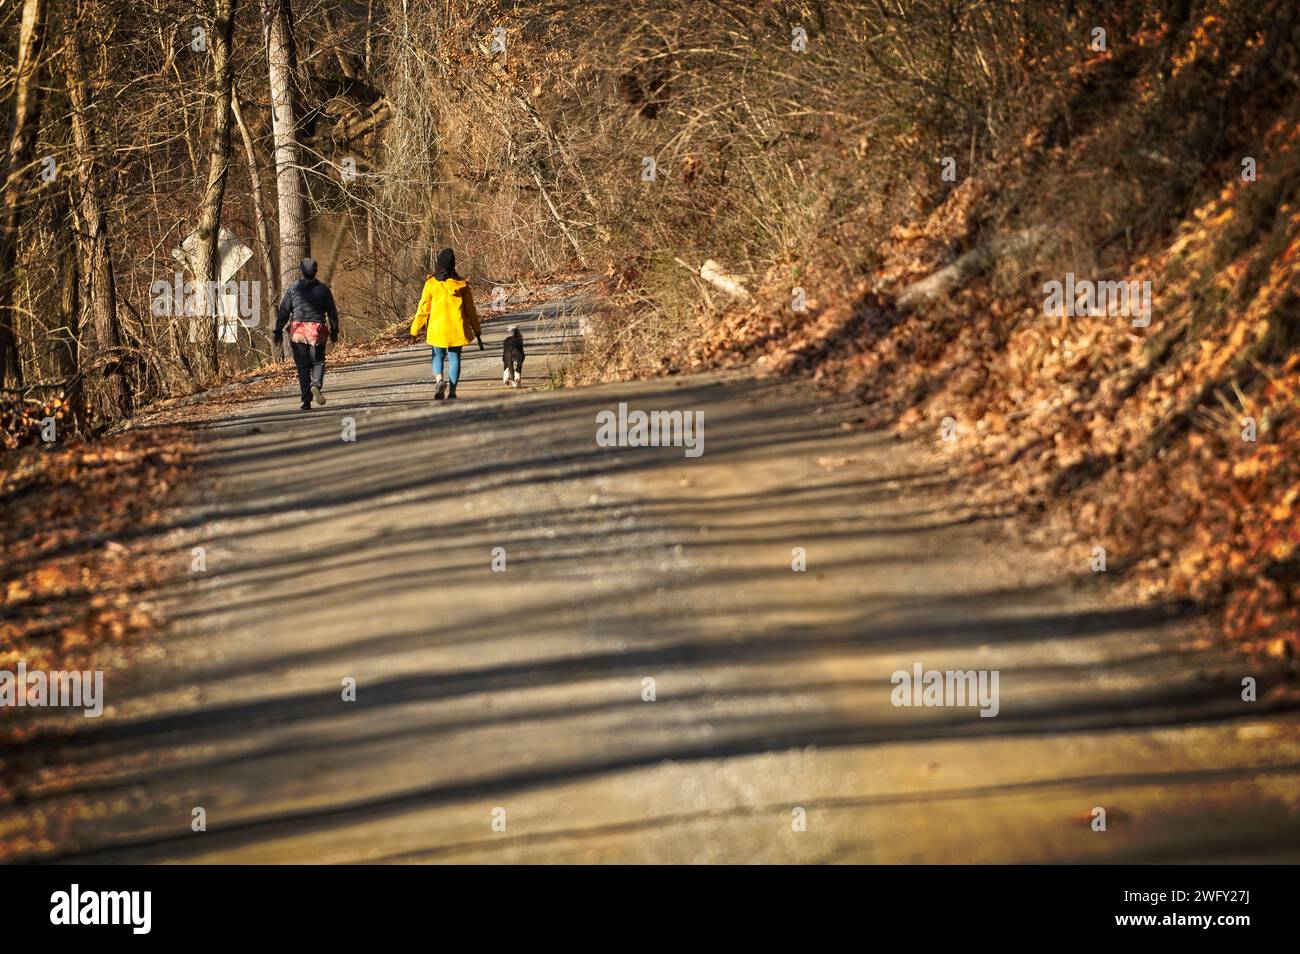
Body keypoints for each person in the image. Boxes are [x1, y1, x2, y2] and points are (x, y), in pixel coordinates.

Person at [409, 248, 483, 400]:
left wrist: (414, 330)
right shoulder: (461, 285)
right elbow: (471, 310)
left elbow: (423, 308)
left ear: (438, 264)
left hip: (437, 329)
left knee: (438, 356)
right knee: (455, 358)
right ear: (453, 265)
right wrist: (477, 329)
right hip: (456, 328)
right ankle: (453, 392)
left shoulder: (431, 284)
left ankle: (439, 380)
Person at [273, 258, 339, 411]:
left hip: (298, 332)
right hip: (317, 331)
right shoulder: (323, 289)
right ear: (315, 271)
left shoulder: (293, 288)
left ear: (301, 271)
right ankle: (315, 384)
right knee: (317, 362)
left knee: (303, 367)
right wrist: (334, 331)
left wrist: (277, 331)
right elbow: (332, 313)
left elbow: (284, 312)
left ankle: (306, 401)